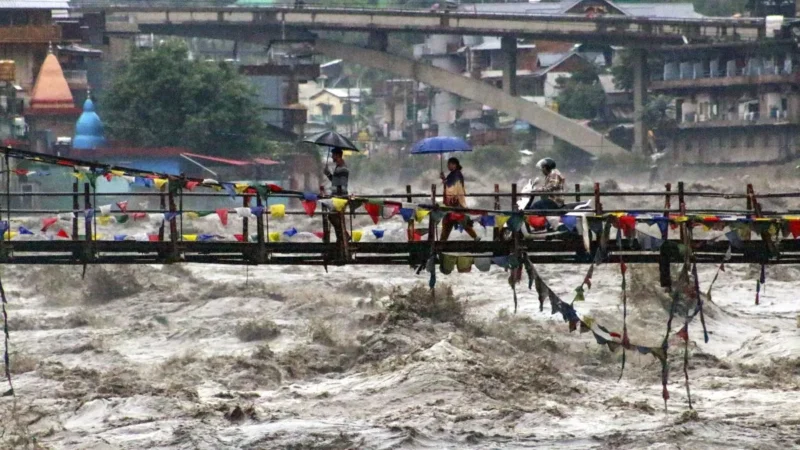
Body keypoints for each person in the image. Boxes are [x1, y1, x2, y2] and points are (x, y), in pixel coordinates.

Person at [439, 157, 480, 241]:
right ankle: (442, 242)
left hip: (457, 203)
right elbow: (449, 185)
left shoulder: (457, 174)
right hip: (451, 204)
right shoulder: (452, 174)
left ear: (455, 165)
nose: (448, 166)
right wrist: (444, 179)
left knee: (462, 221)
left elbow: (453, 187)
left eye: (449, 164)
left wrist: (445, 181)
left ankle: (475, 237)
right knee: (447, 222)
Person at [323, 148, 350, 244]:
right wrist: (328, 174)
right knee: (336, 217)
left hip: (340, 197)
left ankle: (344, 235)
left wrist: (339, 197)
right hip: (337, 197)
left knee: (333, 217)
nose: (331, 157)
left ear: (338, 155)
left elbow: (342, 184)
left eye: (333, 155)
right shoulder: (338, 167)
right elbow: (335, 182)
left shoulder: (343, 168)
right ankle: (341, 238)